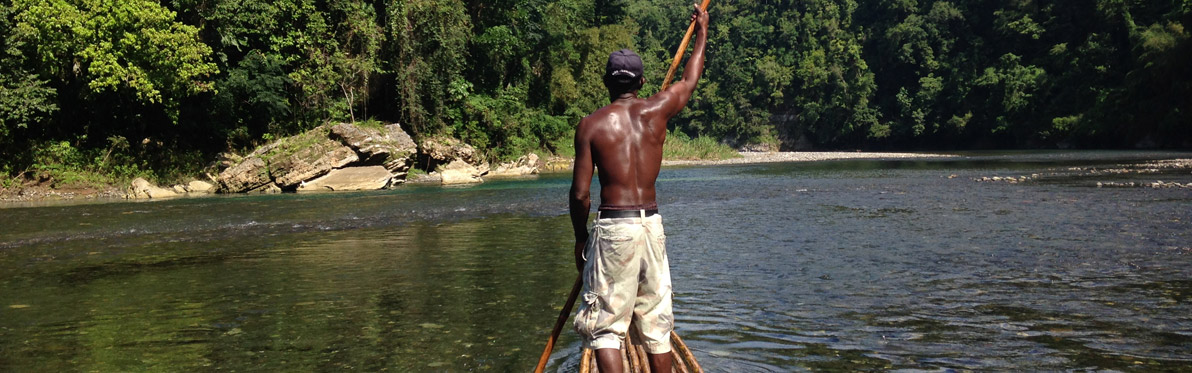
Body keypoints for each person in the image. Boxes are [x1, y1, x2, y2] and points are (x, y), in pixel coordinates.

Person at [569, 4, 709, 372]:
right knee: (657, 327)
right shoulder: (656, 110)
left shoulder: (591, 125)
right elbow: (691, 78)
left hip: (615, 227)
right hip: (651, 226)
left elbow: (580, 194)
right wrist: (703, 31)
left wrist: (581, 239)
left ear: (606, 81)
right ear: (642, 83)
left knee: (606, 329)